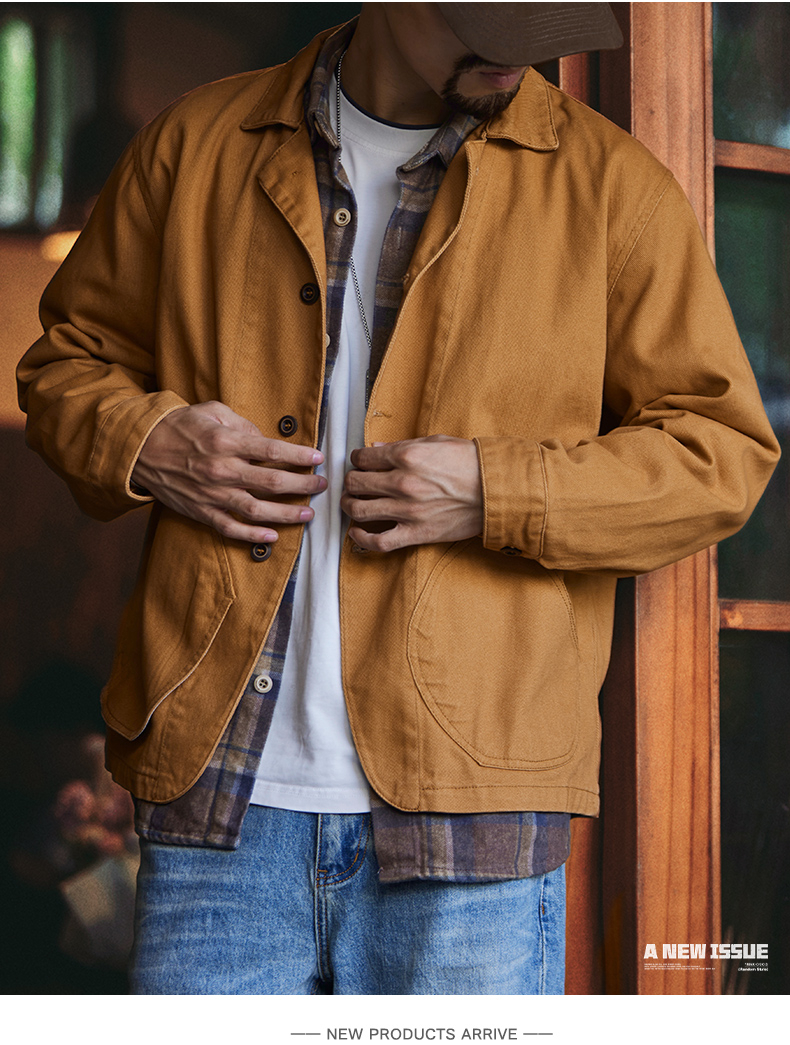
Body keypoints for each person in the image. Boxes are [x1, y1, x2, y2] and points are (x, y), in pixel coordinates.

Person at [17, 3, 779, 995]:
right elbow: (67, 368)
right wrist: (151, 442)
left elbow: (718, 451)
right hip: (216, 798)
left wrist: (495, 490)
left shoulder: (610, 185)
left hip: (474, 810)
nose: (522, 54)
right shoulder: (193, 145)